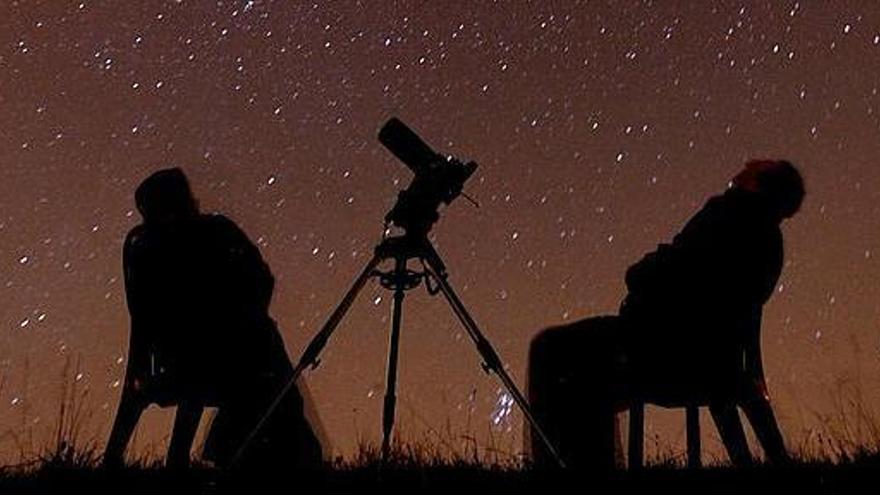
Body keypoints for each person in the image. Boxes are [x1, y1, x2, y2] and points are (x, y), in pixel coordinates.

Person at [528, 160, 804, 468]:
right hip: (704, 360)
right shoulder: (770, 242)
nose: (746, 166)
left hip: (663, 352)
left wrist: (642, 269)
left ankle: (566, 468)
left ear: (759, 183)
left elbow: (665, 270)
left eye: (757, 167)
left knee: (551, 348)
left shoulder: (725, 215)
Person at [104, 168, 322, 470]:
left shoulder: (144, 248)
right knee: (263, 355)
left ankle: (243, 454)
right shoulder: (215, 232)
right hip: (220, 361)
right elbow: (262, 281)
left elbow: (143, 320)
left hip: (179, 360)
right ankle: (273, 458)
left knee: (249, 349)